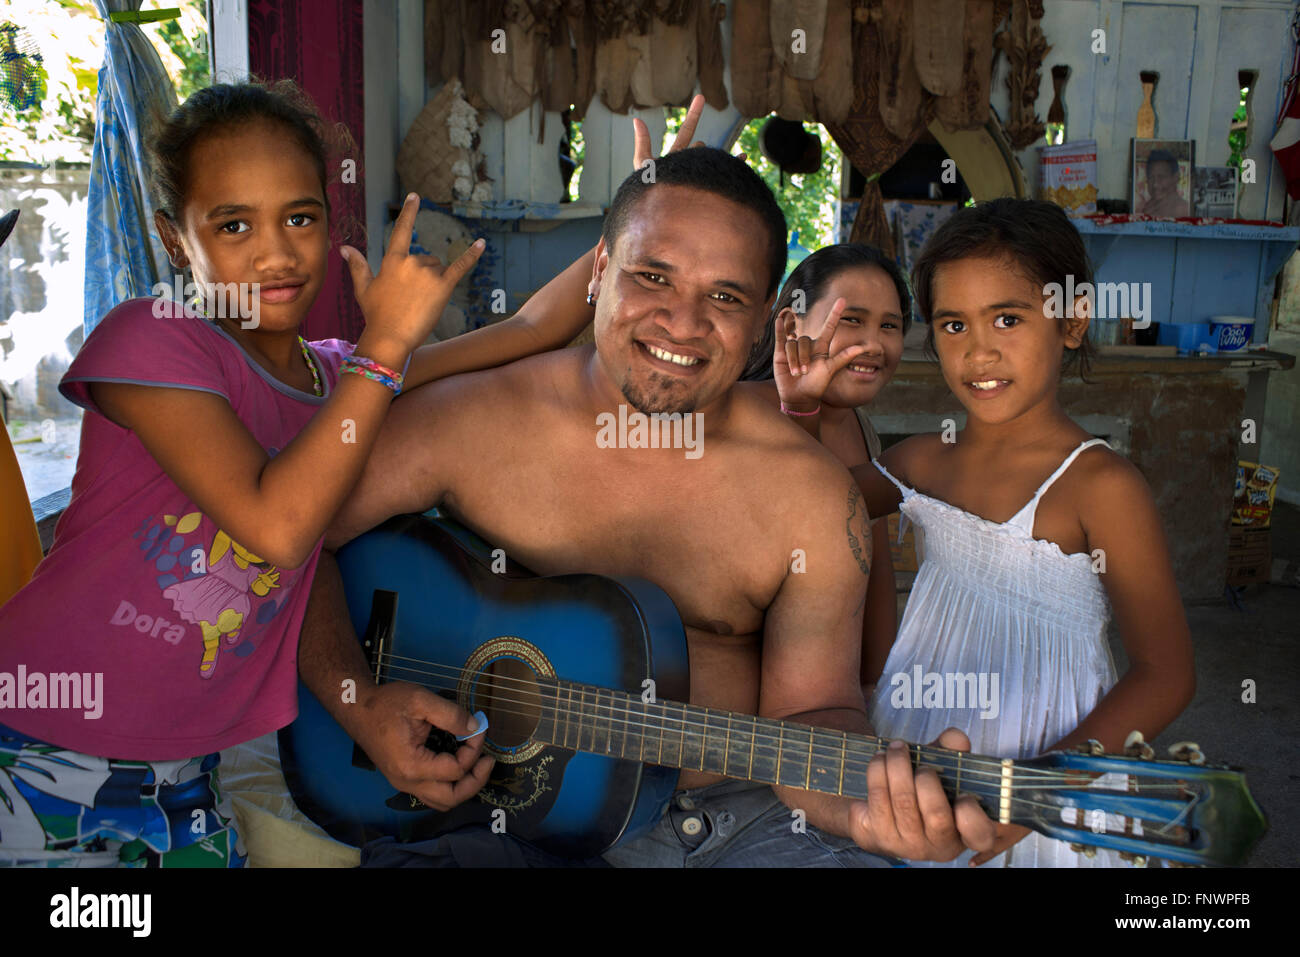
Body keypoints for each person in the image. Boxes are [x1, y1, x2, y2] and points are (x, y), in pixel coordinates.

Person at [298, 108, 998, 867]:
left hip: (730, 821)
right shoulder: (466, 421)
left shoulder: (812, 498)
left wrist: (866, 809)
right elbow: (289, 544)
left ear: (765, 318)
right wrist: (358, 701)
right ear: (599, 271)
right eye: (652, 275)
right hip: (492, 816)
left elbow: (814, 709)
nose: (682, 321)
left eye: (725, 298)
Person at [0, 80, 594, 867]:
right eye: (234, 223)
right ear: (176, 240)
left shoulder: (335, 378)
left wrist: (643, 217)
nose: (276, 253)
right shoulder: (150, 341)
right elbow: (278, 528)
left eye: (300, 218)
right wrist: (383, 354)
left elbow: (529, 327)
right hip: (40, 739)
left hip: (186, 770)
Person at [787, 198, 1195, 866]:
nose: (978, 350)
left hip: (1047, 778)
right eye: (953, 324)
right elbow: (804, 511)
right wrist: (807, 406)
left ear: (1071, 319)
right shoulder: (920, 462)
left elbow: (1168, 673)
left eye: (1008, 317)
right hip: (915, 755)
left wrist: (1041, 790)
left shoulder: (1101, 485)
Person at [740, 244, 912, 692]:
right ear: (790, 324)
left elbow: (869, 568)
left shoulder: (860, 428)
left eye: (889, 326)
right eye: (851, 320)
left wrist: (876, 692)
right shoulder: (736, 416)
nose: (873, 344)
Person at [1138, 150, 1188, 217]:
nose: (1155, 184)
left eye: (1161, 177)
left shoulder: (1184, 210)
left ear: (1175, 178)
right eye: (1151, 177)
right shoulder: (1146, 209)